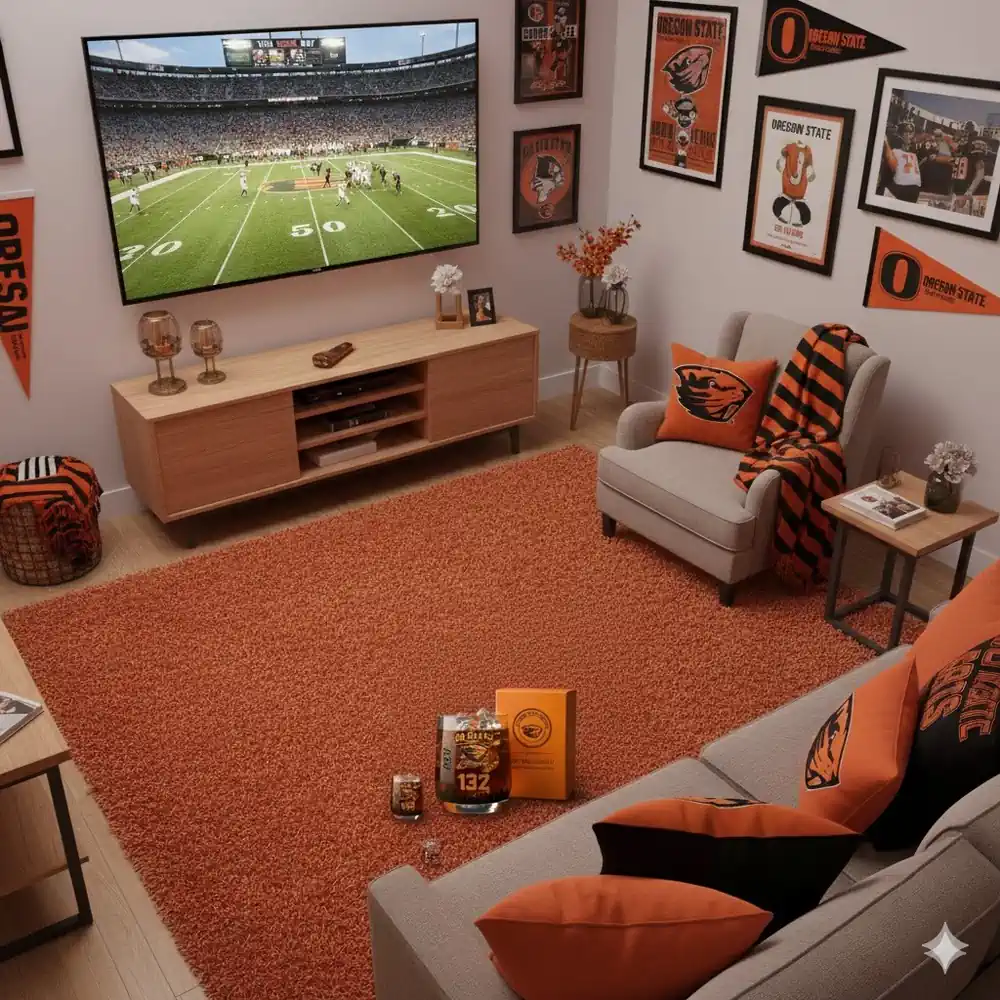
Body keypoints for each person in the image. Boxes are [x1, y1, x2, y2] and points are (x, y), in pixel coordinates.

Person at [882, 120, 922, 203]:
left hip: (901, 189)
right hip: (915, 190)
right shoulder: (913, 153)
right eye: (907, 133)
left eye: (910, 133)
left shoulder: (895, 150)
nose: (909, 135)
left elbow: (888, 173)